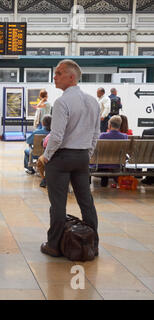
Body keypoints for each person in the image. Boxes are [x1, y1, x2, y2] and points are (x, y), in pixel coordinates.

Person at [39, 59, 100, 257]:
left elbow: (56, 136)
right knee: (86, 201)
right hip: (82, 156)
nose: (54, 77)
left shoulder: (62, 102)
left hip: (61, 158)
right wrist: (86, 154)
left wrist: (46, 157)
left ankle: (54, 245)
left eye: (59, 73)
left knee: (58, 203)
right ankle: (92, 245)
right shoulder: (92, 101)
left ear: (71, 77)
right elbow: (95, 133)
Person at [96, 115, 128, 187]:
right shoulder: (125, 136)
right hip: (117, 164)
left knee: (104, 161)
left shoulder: (102, 136)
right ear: (119, 125)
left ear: (109, 125)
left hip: (102, 164)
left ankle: (104, 183)